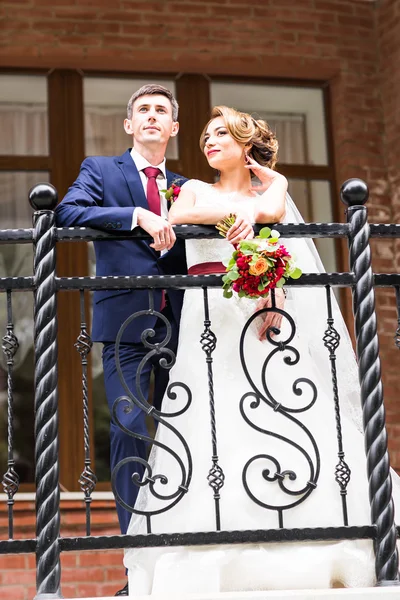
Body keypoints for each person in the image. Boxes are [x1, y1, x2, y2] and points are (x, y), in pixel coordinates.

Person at [124, 106, 400, 594]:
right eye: (206, 136)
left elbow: (275, 223)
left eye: (221, 136)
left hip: (260, 314)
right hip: (209, 319)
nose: (210, 143)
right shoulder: (192, 189)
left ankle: (314, 536)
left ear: (243, 145)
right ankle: (216, 548)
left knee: (281, 411)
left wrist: (270, 199)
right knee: (210, 417)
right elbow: (181, 216)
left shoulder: (270, 191)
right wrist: (241, 214)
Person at [55, 84, 188, 596]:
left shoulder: (186, 184)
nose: (152, 117)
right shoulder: (102, 171)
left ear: (173, 128)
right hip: (125, 329)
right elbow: (67, 213)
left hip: (182, 327)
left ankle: (182, 564)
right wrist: (136, 216)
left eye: (162, 111)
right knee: (132, 428)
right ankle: (139, 566)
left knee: (187, 437)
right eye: (143, 111)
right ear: (130, 125)